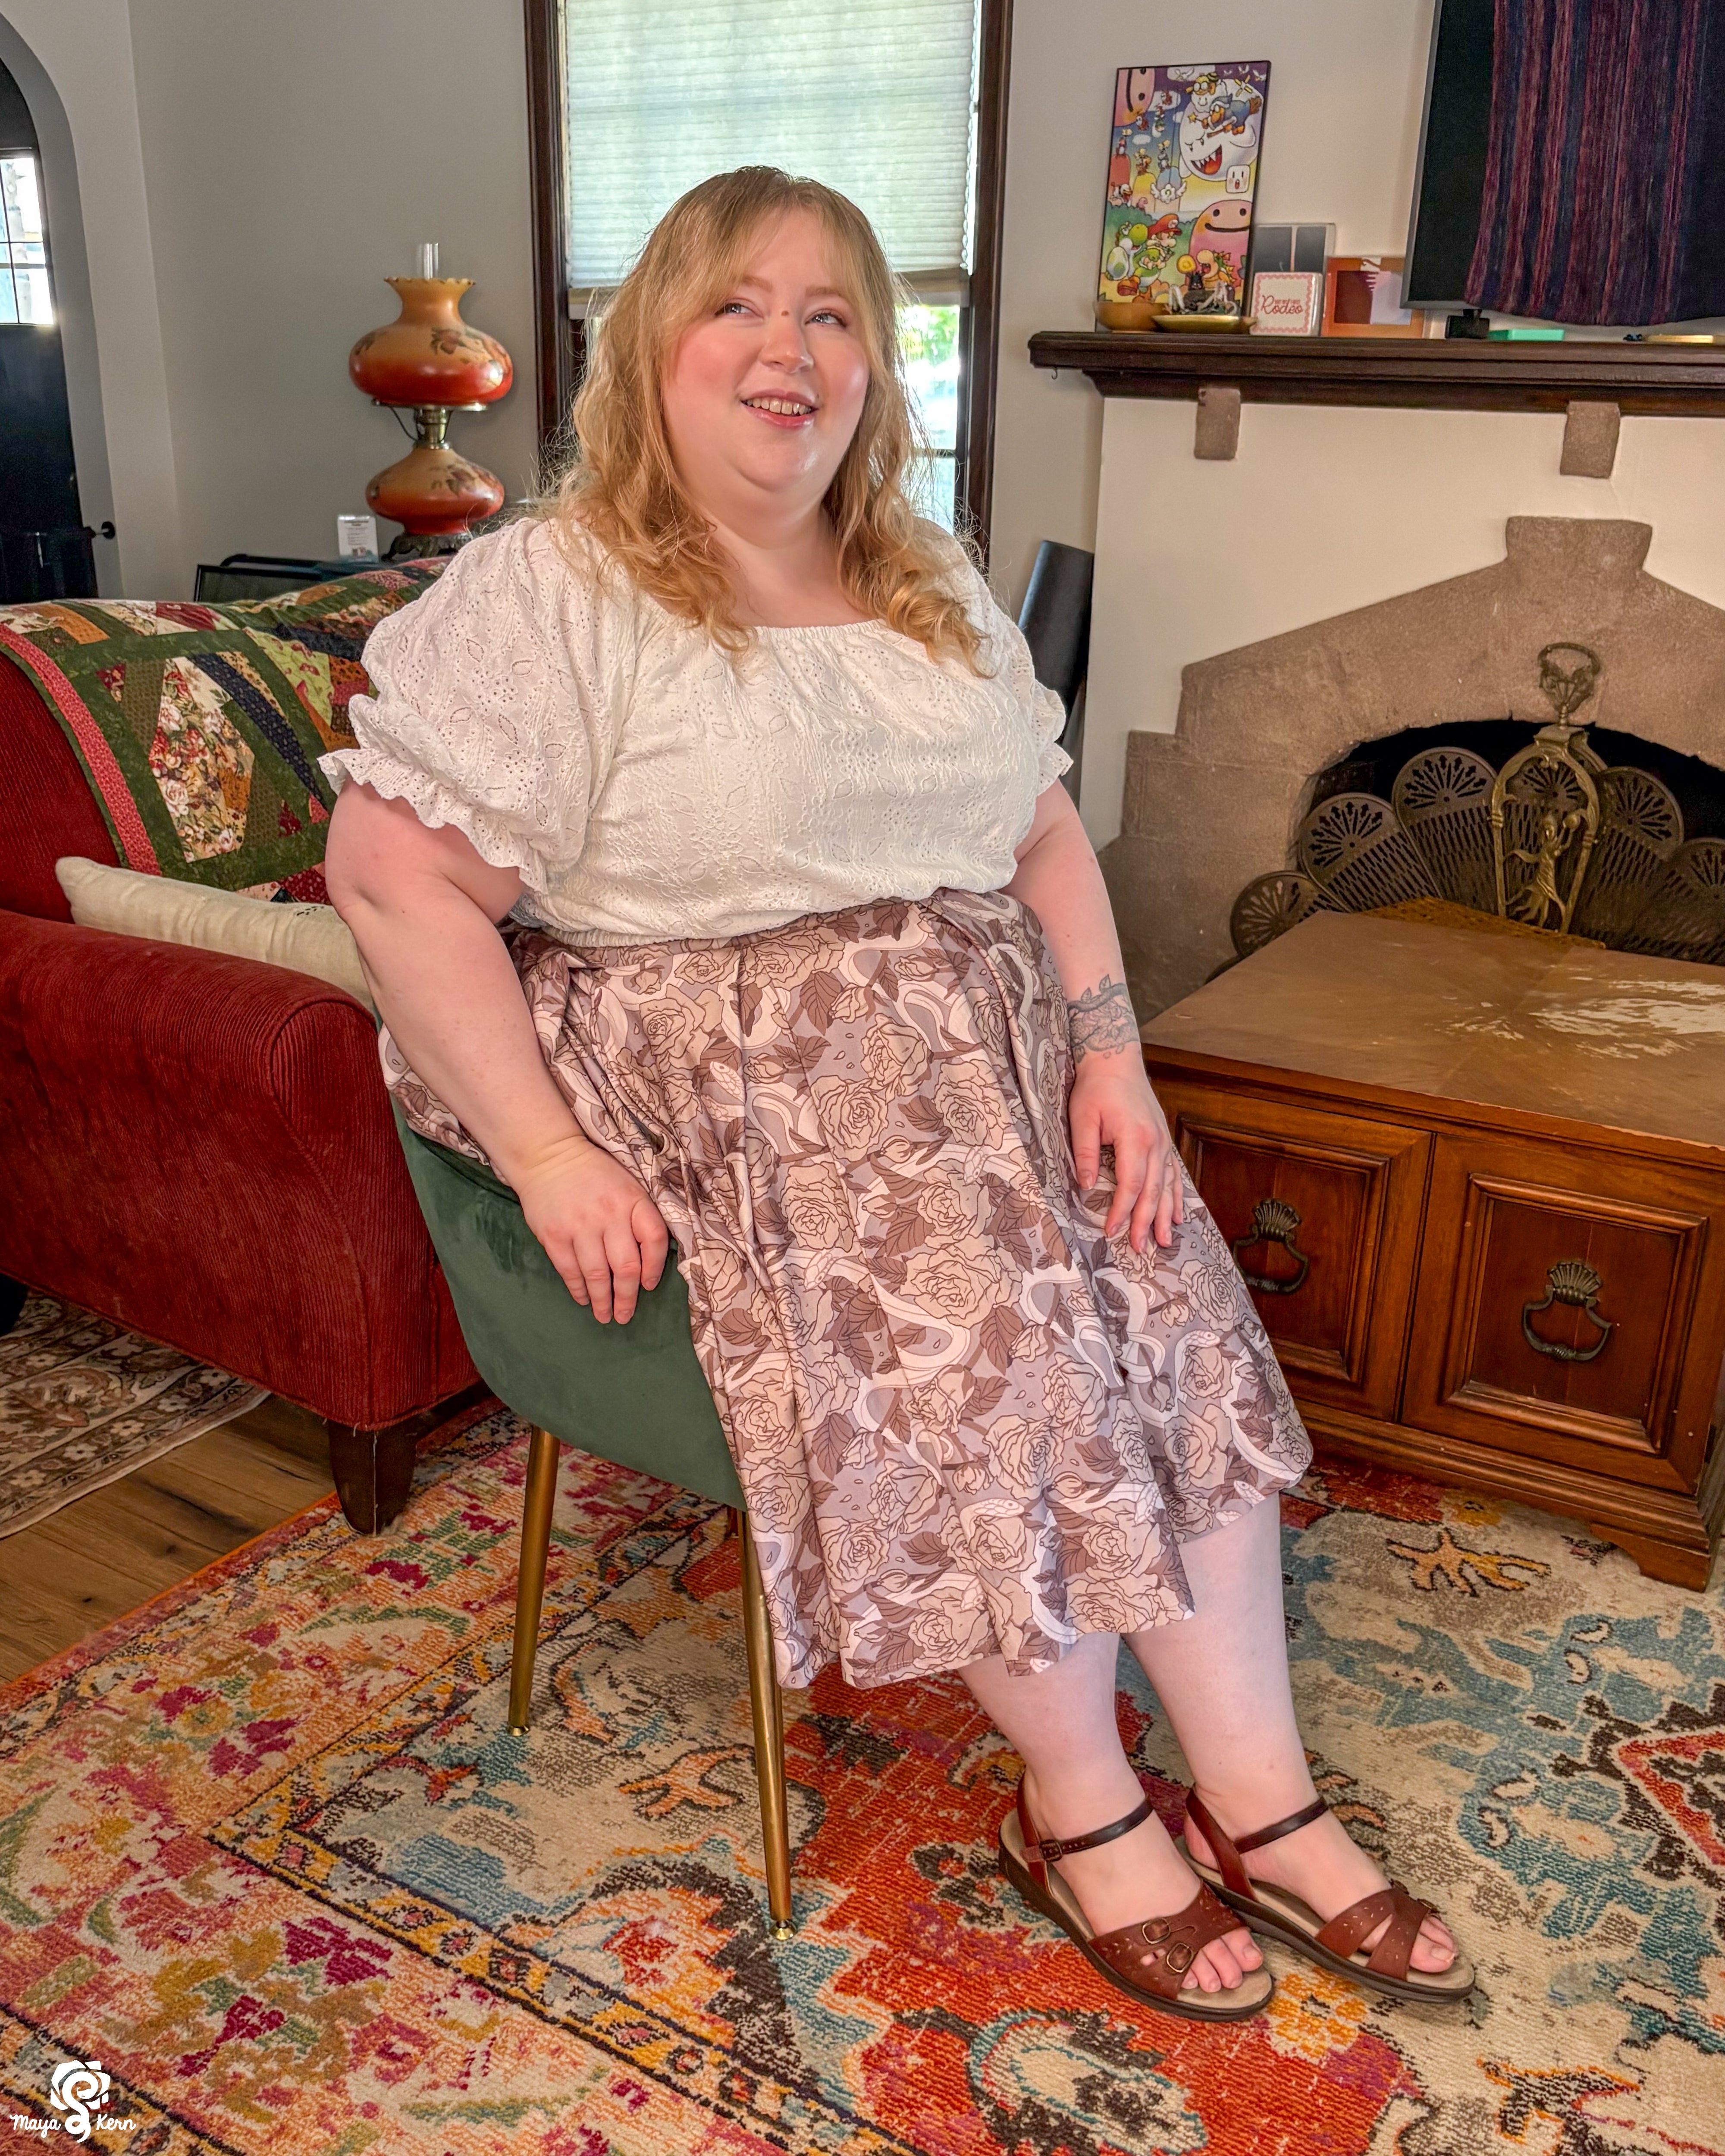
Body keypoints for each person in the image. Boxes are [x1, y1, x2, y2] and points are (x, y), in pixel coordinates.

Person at [322, 165, 1469, 2022]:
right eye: (737, 303)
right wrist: (542, 1150)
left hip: (995, 1071)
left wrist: (1111, 1053)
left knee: (1168, 1310)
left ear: (875, 365)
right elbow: (390, 878)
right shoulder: (554, 586)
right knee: (1003, 1356)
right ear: (651, 344)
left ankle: (1261, 1799)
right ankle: (1080, 1803)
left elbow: (1040, 834)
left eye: (832, 312)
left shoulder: (925, 577)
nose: (787, 346)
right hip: (760, 1098)